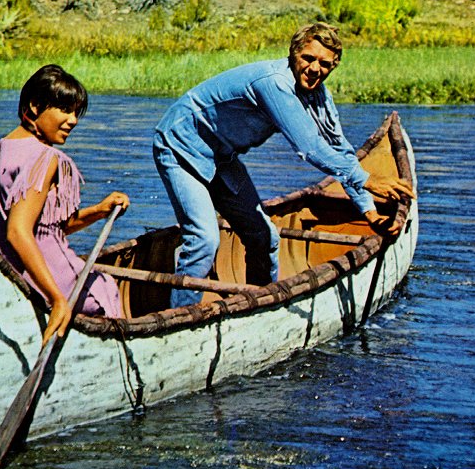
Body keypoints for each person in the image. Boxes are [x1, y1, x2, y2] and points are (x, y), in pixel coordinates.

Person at [153, 22, 415, 307]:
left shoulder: (318, 94)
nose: (315, 68)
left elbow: (339, 149)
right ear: (294, 54)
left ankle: (258, 305)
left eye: (325, 64)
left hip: (222, 157)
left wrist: (368, 210)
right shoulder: (275, 83)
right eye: (308, 59)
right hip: (180, 146)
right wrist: (366, 179)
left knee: (265, 237)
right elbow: (310, 147)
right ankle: (179, 315)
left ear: (334, 66)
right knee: (204, 239)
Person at [0, 64, 129, 345]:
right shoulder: (44, 158)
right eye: (65, 110)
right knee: (105, 287)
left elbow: (45, 230)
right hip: (55, 284)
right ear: (35, 105)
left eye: (76, 112)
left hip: (12, 284)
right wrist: (57, 300)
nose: (73, 120)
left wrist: (99, 211)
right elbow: (18, 232)